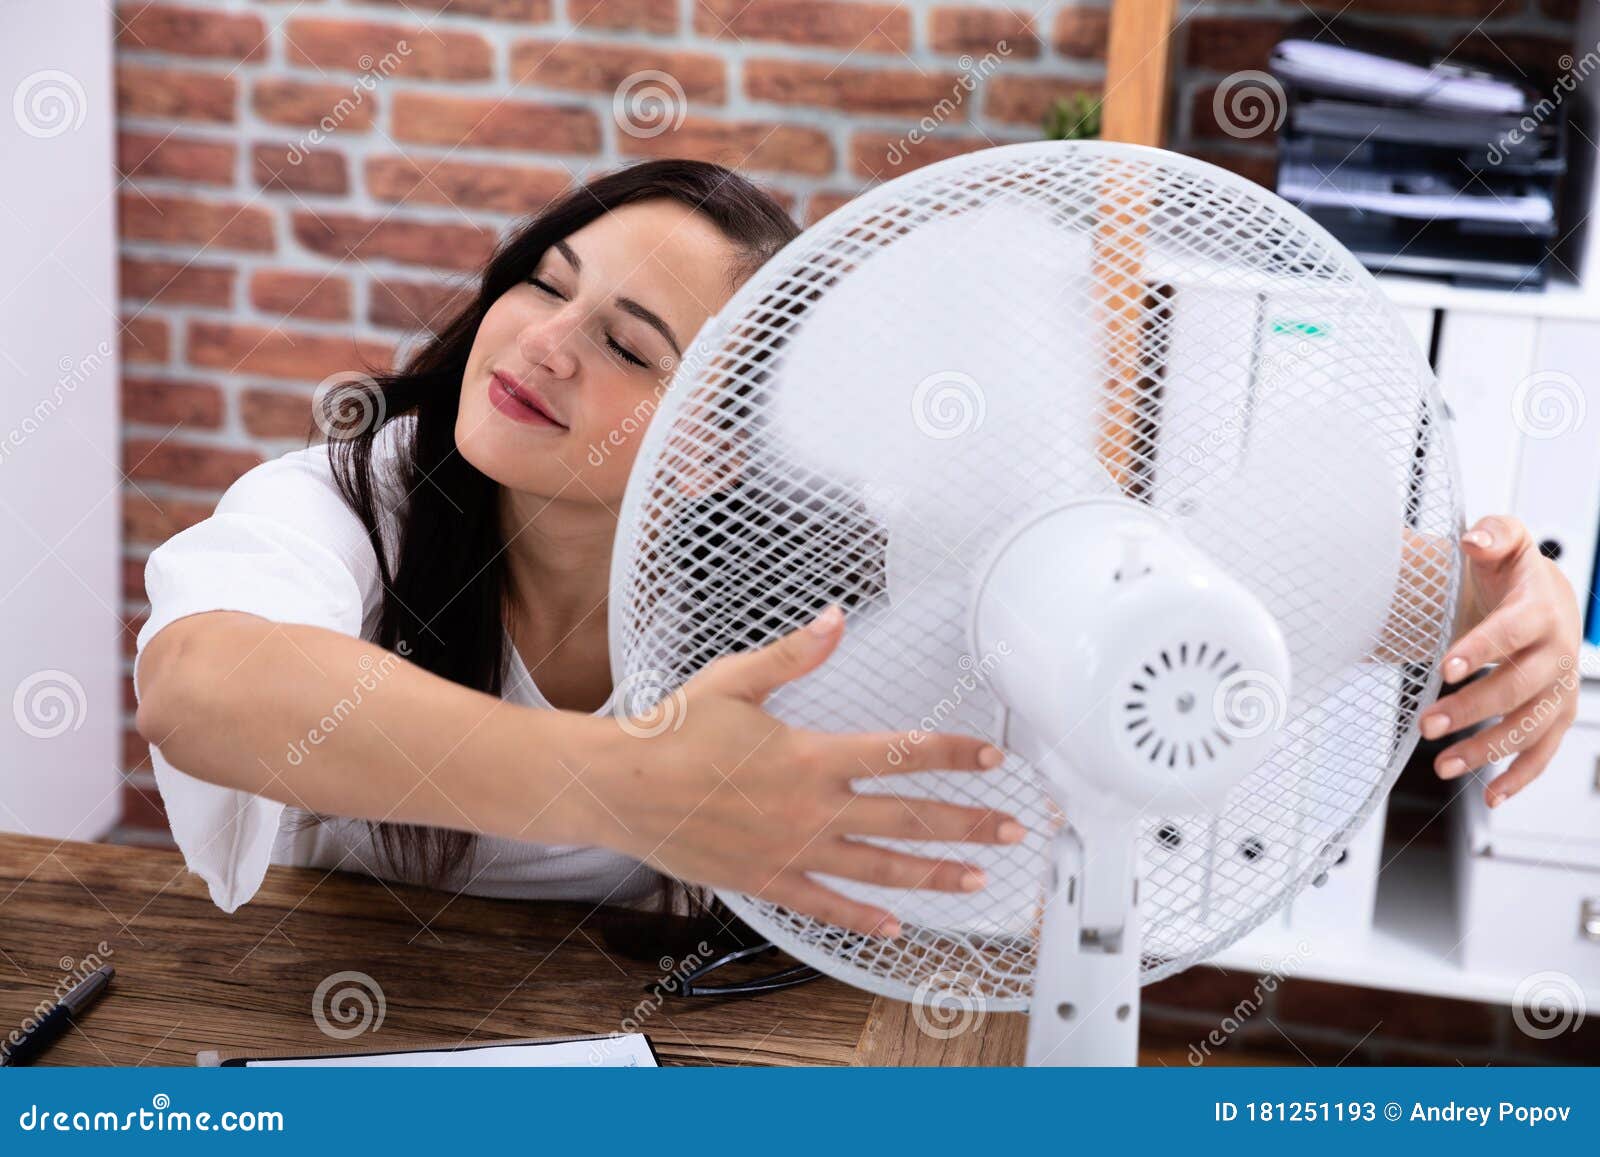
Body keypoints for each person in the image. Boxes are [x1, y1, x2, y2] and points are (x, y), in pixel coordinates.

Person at [133, 159, 1580, 942]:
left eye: (629, 343)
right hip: (305, 1030)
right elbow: (201, 685)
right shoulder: (353, 503)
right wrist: (634, 788)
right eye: (544, 282)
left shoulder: (799, 571)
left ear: (708, 446)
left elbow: (1230, 581)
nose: (544, 343)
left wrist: (1515, 602)